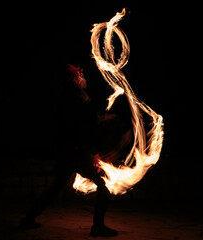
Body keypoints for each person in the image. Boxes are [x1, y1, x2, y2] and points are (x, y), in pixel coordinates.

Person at [19, 65, 131, 237]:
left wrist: (101, 119)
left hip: (65, 151)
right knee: (103, 185)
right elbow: (82, 126)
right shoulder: (78, 98)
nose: (83, 77)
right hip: (76, 151)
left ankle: (28, 219)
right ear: (74, 79)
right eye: (80, 75)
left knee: (56, 187)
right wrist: (92, 150)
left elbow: (79, 122)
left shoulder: (68, 96)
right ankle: (98, 226)